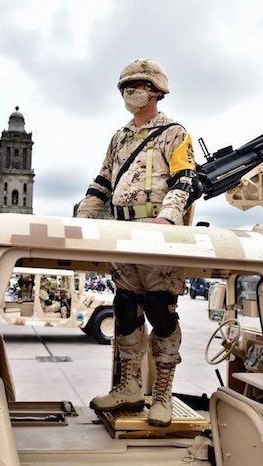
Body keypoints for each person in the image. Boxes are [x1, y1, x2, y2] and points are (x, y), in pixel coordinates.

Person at [75, 59, 202, 427]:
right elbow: (101, 182)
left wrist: (168, 218)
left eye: (138, 85)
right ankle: (128, 387)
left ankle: (161, 393)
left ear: (157, 91)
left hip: (157, 235)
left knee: (161, 312)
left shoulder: (174, 134)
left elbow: (186, 180)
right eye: (125, 86)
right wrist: (82, 220)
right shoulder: (119, 138)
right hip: (121, 233)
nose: (130, 91)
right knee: (126, 310)